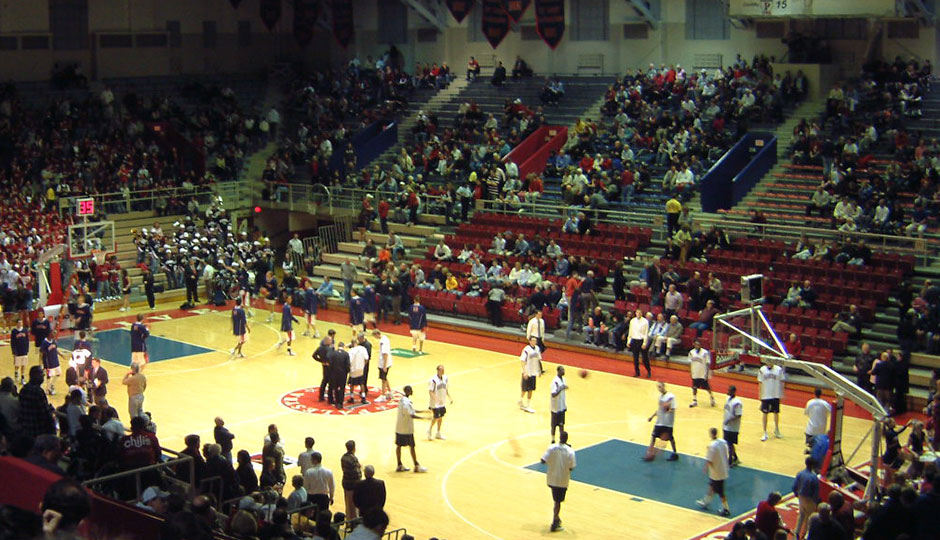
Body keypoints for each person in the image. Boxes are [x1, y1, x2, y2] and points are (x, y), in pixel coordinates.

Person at [541, 430, 576, 532]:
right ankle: (555, 521)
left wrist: (552, 461)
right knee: (557, 502)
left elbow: (543, 460)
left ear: (559, 437)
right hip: (562, 480)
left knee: (556, 501)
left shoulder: (551, 448)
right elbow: (571, 467)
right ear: (566, 439)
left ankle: (557, 519)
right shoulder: (570, 451)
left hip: (551, 478)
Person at [696, 427, 731, 517]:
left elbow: (709, 460)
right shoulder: (723, 442)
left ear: (711, 434)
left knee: (720, 492)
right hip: (724, 468)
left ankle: (726, 509)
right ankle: (706, 501)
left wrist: (706, 468)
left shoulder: (712, 446)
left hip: (717, 472)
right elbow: (727, 453)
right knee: (711, 485)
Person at [395, 385, 427, 473]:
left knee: (399, 446)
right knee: (412, 446)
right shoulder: (406, 403)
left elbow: (412, 410)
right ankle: (416, 466)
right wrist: (423, 418)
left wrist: (423, 411)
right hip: (406, 429)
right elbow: (411, 415)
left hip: (400, 428)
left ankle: (399, 464)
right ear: (408, 391)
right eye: (411, 390)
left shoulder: (403, 400)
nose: (412, 391)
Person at [644, 381, 679, 462]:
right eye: (658, 387)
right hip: (659, 421)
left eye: (660, 386)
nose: (659, 388)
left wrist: (667, 410)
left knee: (670, 438)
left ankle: (675, 453)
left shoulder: (671, 396)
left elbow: (673, 408)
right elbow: (659, 409)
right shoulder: (660, 397)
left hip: (667, 422)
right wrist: (652, 417)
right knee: (653, 436)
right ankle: (649, 453)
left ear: (664, 386)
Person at [793, 456, 820, 540]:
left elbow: (794, 486)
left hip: (801, 497)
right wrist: (815, 501)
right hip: (809, 499)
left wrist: (796, 494)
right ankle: (806, 536)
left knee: (801, 514)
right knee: (809, 517)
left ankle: (796, 532)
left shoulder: (800, 473)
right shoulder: (813, 477)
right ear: (812, 465)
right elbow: (815, 491)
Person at [758, 360, 786, 441]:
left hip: (775, 395)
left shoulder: (779, 370)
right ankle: (765, 432)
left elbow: (782, 381)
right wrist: (760, 394)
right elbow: (760, 383)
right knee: (765, 413)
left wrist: (781, 393)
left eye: (771, 361)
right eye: (768, 361)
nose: (769, 363)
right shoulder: (762, 370)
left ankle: (776, 430)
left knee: (776, 413)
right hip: (766, 395)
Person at [428, 364, 452, 440]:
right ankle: (429, 430)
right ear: (438, 370)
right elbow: (431, 391)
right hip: (435, 403)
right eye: (441, 370)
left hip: (442, 402)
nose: (443, 371)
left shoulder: (445, 378)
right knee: (436, 417)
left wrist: (449, 397)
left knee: (441, 417)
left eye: (443, 369)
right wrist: (436, 399)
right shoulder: (433, 380)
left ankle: (438, 432)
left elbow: (445, 389)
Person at [688, 340, 715, 408]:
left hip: (702, 373)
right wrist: (690, 371)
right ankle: (694, 400)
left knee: (706, 387)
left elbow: (708, 363)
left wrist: (707, 373)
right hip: (695, 372)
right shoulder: (691, 352)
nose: (697, 346)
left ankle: (711, 398)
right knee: (694, 387)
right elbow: (690, 363)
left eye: (699, 344)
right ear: (694, 344)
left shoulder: (705, 352)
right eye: (696, 344)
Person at [340, 440, 362, 521]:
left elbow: (343, 468)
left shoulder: (343, 457)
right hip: (353, 485)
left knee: (348, 504)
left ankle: (348, 521)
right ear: (354, 448)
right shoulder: (354, 459)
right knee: (354, 505)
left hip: (345, 482)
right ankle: (354, 522)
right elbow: (357, 474)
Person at [722, 385, 743, 467]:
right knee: (728, 443)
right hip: (726, 426)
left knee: (729, 444)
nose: (728, 391)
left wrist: (729, 420)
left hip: (733, 427)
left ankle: (730, 461)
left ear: (734, 392)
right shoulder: (727, 399)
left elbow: (738, 415)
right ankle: (735, 458)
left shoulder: (737, 403)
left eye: (729, 390)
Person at [628, 309, 651, 377]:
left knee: (644, 358)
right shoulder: (632, 321)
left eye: (640, 313)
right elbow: (630, 331)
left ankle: (648, 371)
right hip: (634, 340)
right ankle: (637, 372)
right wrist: (629, 341)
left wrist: (644, 343)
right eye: (637, 312)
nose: (638, 314)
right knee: (635, 358)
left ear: (642, 313)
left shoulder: (645, 322)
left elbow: (646, 333)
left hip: (641, 340)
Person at [329, 343, 351, 409]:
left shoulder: (333, 354)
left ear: (338, 346)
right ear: (343, 346)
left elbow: (330, 364)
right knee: (342, 388)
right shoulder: (346, 354)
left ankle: (336, 401)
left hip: (334, 374)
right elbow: (348, 365)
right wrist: (346, 372)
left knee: (335, 388)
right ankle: (340, 403)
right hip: (343, 374)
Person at [373, 329, 393, 402]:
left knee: (383, 379)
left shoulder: (383, 341)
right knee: (385, 377)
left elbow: (385, 353)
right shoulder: (385, 338)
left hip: (384, 363)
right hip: (387, 362)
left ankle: (383, 395)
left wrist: (384, 366)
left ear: (377, 334)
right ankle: (390, 392)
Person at [550, 366, 568, 443]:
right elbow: (553, 394)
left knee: (561, 424)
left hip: (561, 406)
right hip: (555, 407)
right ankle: (553, 440)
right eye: (562, 370)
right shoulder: (555, 381)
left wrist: (565, 405)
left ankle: (562, 440)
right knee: (554, 425)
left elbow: (563, 395)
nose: (563, 371)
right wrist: (560, 388)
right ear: (558, 371)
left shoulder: (564, 380)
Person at [10, 318, 29, 385]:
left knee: (23, 364)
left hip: (24, 350)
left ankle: (22, 377)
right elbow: (12, 342)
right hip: (17, 351)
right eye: (19, 323)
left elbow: (27, 340)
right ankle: (16, 373)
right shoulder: (14, 331)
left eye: (21, 323)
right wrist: (13, 351)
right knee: (17, 365)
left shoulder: (25, 330)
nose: (20, 324)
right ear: (16, 324)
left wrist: (27, 349)